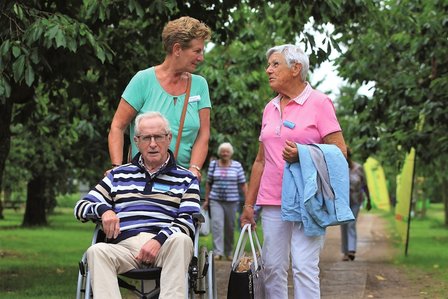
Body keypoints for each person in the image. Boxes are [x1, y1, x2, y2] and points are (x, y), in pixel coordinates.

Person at [240, 44, 347, 299]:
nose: (268, 70)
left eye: (275, 64)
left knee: (303, 266)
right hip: (272, 200)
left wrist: (304, 153)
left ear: (296, 68)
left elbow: (340, 151)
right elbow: (260, 160)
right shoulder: (269, 107)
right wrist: (248, 204)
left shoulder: (320, 103)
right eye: (269, 65)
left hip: (307, 199)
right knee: (273, 267)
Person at [74, 112, 200, 299]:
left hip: (166, 246)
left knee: (182, 240)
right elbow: (81, 206)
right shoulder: (118, 175)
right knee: (96, 250)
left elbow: (188, 220)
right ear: (136, 141)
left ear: (169, 138)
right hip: (124, 248)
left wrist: (158, 241)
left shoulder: (186, 178)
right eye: (146, 138)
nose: (152, 144)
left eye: (158, 136)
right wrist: (104, 210)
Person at [108, 16, 212, 180]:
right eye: (197, 51)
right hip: (140, 181)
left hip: (181, 183)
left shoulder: (200, 85)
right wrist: (117, 169)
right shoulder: (143, 80)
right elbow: (117, 126)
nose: (201, 58)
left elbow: (203, 134)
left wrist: (195, 168)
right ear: (177, 49)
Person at [202, 142, 248, 260]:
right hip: (216, 200)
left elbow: (243, 184)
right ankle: (218, 252)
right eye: (223, 151)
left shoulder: (237, 166)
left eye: (227, 151)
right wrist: (207, 200)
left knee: (230, 227)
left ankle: (228, 252)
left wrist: (248, 202)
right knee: (217, 225)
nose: (225, 153)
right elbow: (208, 184)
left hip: (232, 201)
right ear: (219, 153)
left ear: (231, 153)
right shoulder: (213, 165)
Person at [341, 147, 372, 261]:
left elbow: (365, 185)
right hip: (343, 202)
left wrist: (369, 200)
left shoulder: (359, 168)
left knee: (351, 223)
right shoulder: (341, 168)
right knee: (344, 225)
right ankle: (345, 251)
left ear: (349, 156)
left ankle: (351, 250)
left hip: (356, 200)